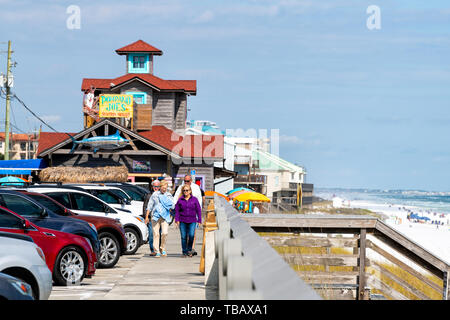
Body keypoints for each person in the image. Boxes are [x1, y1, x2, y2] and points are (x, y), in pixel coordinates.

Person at [173, 175, 205, 255]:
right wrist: (176, 219)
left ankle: (190, 249)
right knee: (184, 236)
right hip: (182, 219)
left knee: (191, 234)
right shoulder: (181, 189)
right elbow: (176, 202)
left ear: (191, 181)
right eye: (185, 181)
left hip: (193, 218)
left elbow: (199, 204)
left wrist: (199, 219)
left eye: (187, 181)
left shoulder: (196, 189)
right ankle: (185, 251)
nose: (186, 182)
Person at [146, 180, 174, 258]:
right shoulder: (155, 195)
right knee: (156, 234)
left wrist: (168, 204)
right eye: (162, 188)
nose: (164, 189)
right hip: (155, 216)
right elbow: (150, 206)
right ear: (160, 187)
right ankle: (157, 251)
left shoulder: (168, 195)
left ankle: (162, 248)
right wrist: (146, 217)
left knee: (164, 233)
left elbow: (173, 206)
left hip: (165, 216)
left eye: (165, 188)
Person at [144, 179, 161, 256]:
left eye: (157, 186)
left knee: (159, 234)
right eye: (155, 186)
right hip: (151, 218)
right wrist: (146, 217)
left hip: (160, 218)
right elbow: (145, 206)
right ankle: (152, 250)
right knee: (151, 234)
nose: (156, 188)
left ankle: (158, 249)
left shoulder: (162, 195)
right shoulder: (148, 195)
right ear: (152, 186)